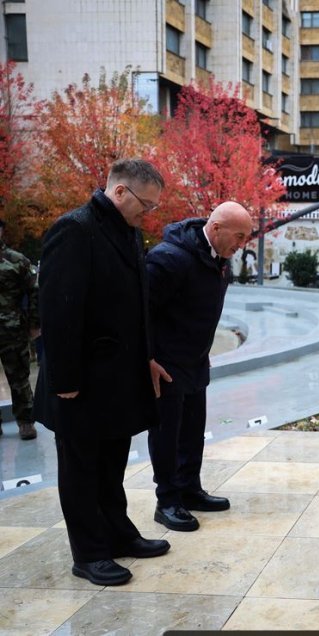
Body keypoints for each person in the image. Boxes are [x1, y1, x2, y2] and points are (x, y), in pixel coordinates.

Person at [34, 158, 170, 586]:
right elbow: (57, 311)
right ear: (120, 192)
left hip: (118, 378)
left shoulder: (126, 231)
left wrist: (146, 356)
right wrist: (65, 381)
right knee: (81, 468)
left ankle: (118, 534)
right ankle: (89, 553)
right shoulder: (74, 229)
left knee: (111, 463)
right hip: (81, 382)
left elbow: (136, 306)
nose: (148, 214)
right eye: (145, 205)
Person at [146, 202, 253, 531]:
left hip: (195, 360)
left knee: (192, 431)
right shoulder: (169, 258)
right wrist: (147, 359)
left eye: (246, 238)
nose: (241, 245)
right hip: (165, 364)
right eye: (238, 236)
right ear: (216, 228)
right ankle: (167, 501)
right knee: (167, 433)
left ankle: (190, 489)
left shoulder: (220, 260)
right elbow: (140, 312)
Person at [0, 219, 39, 440]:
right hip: (11, 327)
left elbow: (35, 290)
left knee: (19, 377)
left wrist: (35, 323)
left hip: (11, 329)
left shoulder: (16, 260)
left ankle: (26, 421)